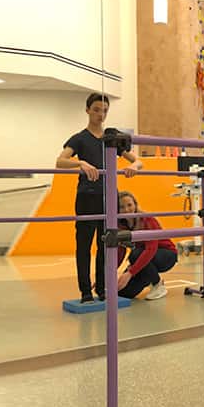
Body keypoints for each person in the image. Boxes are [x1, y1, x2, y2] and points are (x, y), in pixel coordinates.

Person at [56, 93, 143, 303]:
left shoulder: (111, 140)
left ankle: (102, 289)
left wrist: (133, 166)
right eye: (96, 110)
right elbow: (60, 161)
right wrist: (81, 164)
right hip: (87, 198)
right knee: (84, 246)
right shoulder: (79, 138)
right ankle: (85, 291)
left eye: (104, 111)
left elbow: (139, 161)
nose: (100, 115)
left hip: (109, 199)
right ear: (87, 110)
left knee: (106, 245)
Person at [116, 191, 177, 300]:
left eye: (129, 205)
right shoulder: (121, 225)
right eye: (121, 207)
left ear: (135, 204)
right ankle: (148, 277)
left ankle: (158, 285)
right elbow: (121, 252)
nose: (126, 210)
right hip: (145, 258)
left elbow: (151, 249)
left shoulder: (147, 220)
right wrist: (106, 274)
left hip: (166, 255)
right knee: (122, 292)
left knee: (135, 255)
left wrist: (130, 272)